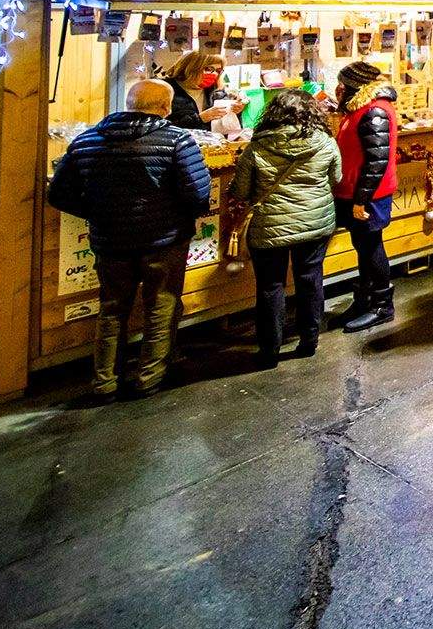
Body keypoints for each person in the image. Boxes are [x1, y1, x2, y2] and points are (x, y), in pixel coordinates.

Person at [48, 79, 211, 398]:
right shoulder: (177, 140)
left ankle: (104, 380)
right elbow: (198, 193)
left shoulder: (87, 140)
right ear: (165, 108)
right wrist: (174, 214)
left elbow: (59, 194)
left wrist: (97, 212)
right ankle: (150, 377)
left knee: (111, 309)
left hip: (110, 241)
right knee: (161, 306)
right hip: (164, 241)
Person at [229, 88, 340, 367]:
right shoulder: (325, 142)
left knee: (270, 286)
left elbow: (241, 191)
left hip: (269, 225)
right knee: (310, 279)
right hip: (315, 222)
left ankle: (269, 349)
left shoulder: (257, 146)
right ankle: (309, 340)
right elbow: (336, 178)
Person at [333, 61, 399, 332]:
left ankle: (382, 306)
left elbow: (377, 160)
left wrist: (361, 199)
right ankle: (365, 299)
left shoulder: (374, 111)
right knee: (363, 246)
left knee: (372, 247)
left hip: (370, 194)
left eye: (342, 83)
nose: (338, 88)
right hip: (357, 191)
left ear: (354, 85)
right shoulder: (360, 108)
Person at [164, 50, 242, 131]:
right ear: (191, 67)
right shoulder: (164, 90)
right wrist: (200, 119)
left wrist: (236, 112)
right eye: (208, 69)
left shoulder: (218, 93)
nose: (214, 74)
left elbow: (229, 129)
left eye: (218, 71)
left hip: (213, 142)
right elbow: (157, 129)